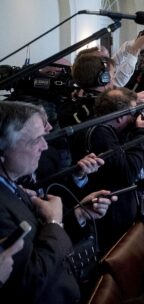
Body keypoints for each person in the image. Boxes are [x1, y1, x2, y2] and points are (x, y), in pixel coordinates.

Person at [0, 101, 115, 303]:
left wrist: (78, 214)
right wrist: (54, 222)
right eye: (36, 140)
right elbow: (30, 281)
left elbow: (39, 240)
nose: (44, 146)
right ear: (3, 150)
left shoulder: (13, 185)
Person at [74, 88, 144, 249]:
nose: (135, 118)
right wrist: (143, 133)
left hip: (118, 210)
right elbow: (127, 173)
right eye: (132, 113)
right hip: (109, 218)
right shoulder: (101, 134)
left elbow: (133, 162)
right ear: (119, 117)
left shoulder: (106, 129)